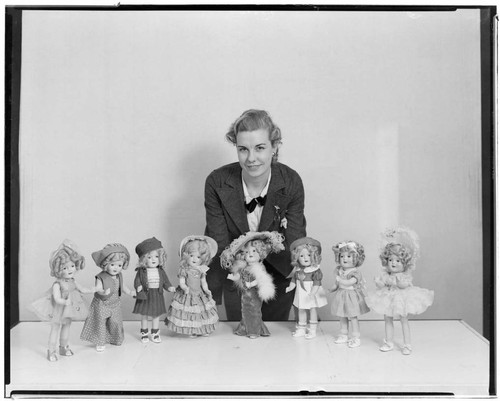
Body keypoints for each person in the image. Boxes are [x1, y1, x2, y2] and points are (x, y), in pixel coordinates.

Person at [204, 109, 307, 321]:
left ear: (274, 146)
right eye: (243, 149)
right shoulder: (217, 181)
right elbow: (218, 240)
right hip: (237, 274)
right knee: (241, 338)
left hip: (279, 274)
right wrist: (208, 294)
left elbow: (296, 240)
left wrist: (303, 290)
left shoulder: (291, 181)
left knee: (276, 340)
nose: (251, 158)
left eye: (260, 148)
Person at [365, 227, 434, 355]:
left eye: (397, 260)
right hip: (388, 297)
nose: (393, 263)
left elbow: (404, 285)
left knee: (403, 319)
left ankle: (407, 344)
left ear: (405, 262)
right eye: (390, 260)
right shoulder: (387, 274)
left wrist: (397, 283)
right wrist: (378, 282)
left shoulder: (403, 275)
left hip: (402, 299)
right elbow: (382, 285)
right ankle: (389, 342)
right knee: (387, 318)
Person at [30, 240, 94, 361]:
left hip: (69, 310)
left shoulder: (73, 281)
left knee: (66, 327)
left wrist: (93, 289)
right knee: (55, 328)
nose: (70, 269)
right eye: (65, 267)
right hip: (58, 310)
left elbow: (82, 289)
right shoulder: (57, 284)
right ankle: (51, 350)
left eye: (72, 266)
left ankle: (63, 347)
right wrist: (64, 302)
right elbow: (57, 298)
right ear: (59, 269)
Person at [80, 243, 136, 352]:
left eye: (119, 265)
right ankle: (100, 342)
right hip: (102, 303)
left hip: (115, 303)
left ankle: (115, 338)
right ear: (106, 263)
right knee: (100, 322)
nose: (116, 268)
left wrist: (130, 292)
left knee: (116, 322)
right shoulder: (101, 277)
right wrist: (102, 291)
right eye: (113, 265)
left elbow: (122, 286)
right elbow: (97, 288)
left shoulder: (119, 275)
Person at [165, 235, 219, 337]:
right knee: (190, 313)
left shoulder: (201, 270)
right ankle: (192, 330)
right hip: (188, 294)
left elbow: (203, 282)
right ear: (186, 255)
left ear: (203, 259)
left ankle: (202, 329)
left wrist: (207, 290)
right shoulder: (184, 270)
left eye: (198, 257)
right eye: (191, 255)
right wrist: (184, 287)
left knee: (201, 312)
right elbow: (182, 282)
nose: (194, 259)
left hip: (199, 294)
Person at [132, 237, 175, 343]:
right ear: (144, 259)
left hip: (157, 295)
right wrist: (138, 287)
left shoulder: (160, 271)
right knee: (144, 315)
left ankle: (155, 333)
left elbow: (165, 282)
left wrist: (169, 287)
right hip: (145, 295)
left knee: (156, 315)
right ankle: (144, 333)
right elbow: (137, 281)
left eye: (156, 256)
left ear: (161, 257)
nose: (154, 259)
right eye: (149, 257)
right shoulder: (141, 271)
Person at [285, 237, 328, 339]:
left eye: (309, 255)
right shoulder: (298, 270)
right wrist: (290, 287)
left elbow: (317, 283)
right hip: (301, 292)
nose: (305, 258)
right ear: (297, 257)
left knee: (313, 309)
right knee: (301, 309)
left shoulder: (315, 270)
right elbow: (294, 280)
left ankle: (312, 329)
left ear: (314, 256)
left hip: (312, 291)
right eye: (301, 255)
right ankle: (301, 327)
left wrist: (313, 292)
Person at [330, 240, 370, 348]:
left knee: (352, 316)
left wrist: (340, 280)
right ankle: (343, 334)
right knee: (342, 316)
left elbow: (350, 282)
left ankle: (355, 337)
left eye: (348, 256)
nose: (344, 259)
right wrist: (331, 289)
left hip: (351, 296)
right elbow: (336, 284)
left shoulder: (355, 272)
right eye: (342, 256)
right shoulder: (340, 270)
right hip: (341, 295)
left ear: (356, 258)